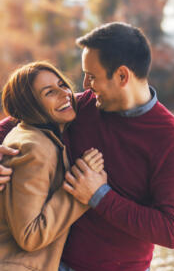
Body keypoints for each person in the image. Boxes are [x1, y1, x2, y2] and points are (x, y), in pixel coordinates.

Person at [0, 22, 174, 271]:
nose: (84, 85)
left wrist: (99, 195)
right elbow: (24, 117)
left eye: (92, 76)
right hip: (52, 263)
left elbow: (172, 230)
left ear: (122, 76)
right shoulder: (84, 107)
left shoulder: (171, 140)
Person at [0, 62, 105, 271]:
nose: (65, 94)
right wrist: (79, 189)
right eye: (49, 92)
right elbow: (29, 235)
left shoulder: (39, 137)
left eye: (62, 84)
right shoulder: (34, 148)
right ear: (29, 105)